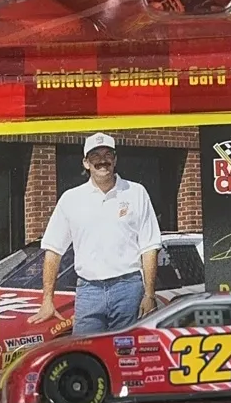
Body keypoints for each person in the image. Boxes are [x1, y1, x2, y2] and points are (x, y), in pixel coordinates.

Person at [37, 133, 161, 336]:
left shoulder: (136, 193)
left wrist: (149, 294)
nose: (102, 161)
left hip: (128, 289)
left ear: (115, 159)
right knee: (85, 349)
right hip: (89, 292)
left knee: (126, 351)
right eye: (95, 156)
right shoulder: (71, 199)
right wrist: (47, 300)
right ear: (86, 163)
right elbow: (53, 250)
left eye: (107, 155)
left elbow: (149, 247)